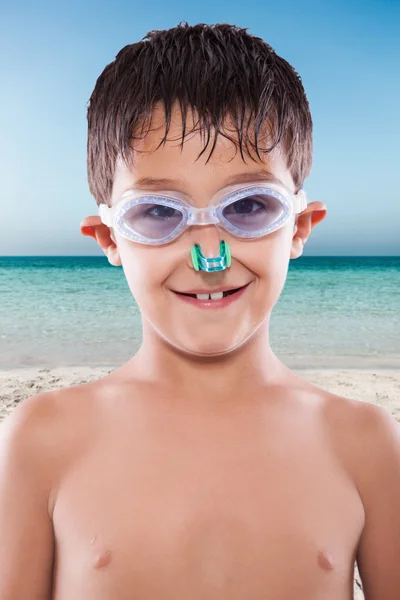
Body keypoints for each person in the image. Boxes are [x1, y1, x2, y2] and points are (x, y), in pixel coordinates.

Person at [1, 21, 399, 600]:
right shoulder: (43, 440)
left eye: (250, 205)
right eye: (159, 213)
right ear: (109, 238)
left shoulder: (362, 443)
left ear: (300, 227)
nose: (210, 256)